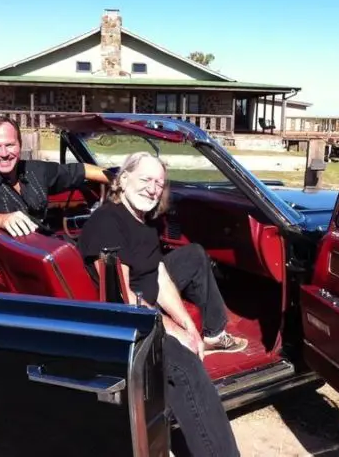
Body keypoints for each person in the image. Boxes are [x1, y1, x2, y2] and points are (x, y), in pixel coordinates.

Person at [78, 151, 242, 456]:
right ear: (123, 179)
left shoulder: (143, 220)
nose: (153, 188)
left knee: (193, 255)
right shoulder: (107, 221)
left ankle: (213, 333)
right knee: (188, 369)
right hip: (128, 321)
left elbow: (160, 273)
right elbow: (122, 298)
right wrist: (168, 328)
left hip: (144, 299)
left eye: (159, 182)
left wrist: (189, 325)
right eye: (145, 179)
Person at [0, 116, 111, 237]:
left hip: (48, 245)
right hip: (23, 264)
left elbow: (82, 170)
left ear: (20, 145)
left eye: (10, 145)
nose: (4, 153)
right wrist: (2, 220)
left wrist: (118, 180)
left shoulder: (35, 170)